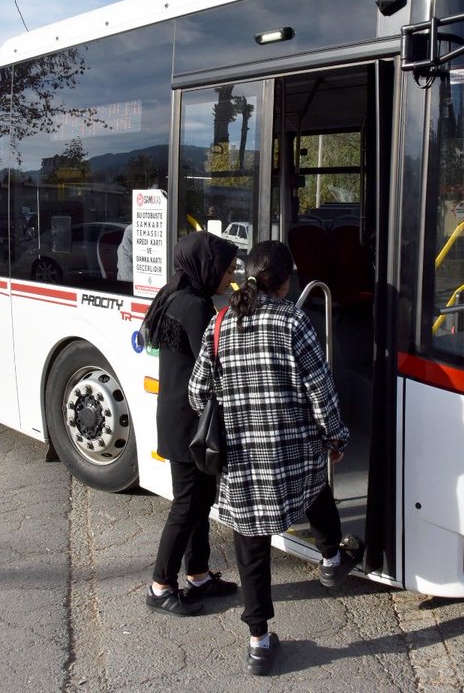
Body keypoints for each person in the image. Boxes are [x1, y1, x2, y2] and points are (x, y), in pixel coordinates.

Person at [189, 240, 358, 677]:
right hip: (292, 454)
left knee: (251, 548)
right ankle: (331, 563)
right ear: (286, 281)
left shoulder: (220, 323)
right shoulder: (293, 321)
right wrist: (335, 437)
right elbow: (321, 390)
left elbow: (196, 394)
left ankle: (259, 644)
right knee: (317, 493)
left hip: (242, 461)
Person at [143, 231, 240, 617]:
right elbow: (214, 366)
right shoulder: (196, 306)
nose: (230, 278)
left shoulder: (174, 295)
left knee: (200, 502)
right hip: (190, 424)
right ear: (207, 266)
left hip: (179, 419)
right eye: (227, 269)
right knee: (187, 505)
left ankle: (198, 574)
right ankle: (160, 584)